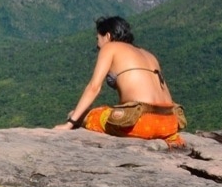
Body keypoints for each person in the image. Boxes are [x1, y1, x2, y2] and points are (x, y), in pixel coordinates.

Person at [54, 16, 186, 148]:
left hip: (141, 122)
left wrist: (71, 122)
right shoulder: (149, 55)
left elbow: (94, 87)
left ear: (108, 36)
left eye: (98, 39)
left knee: (82, 114)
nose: (97, 44)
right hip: (169, 124)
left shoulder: (109, 47)